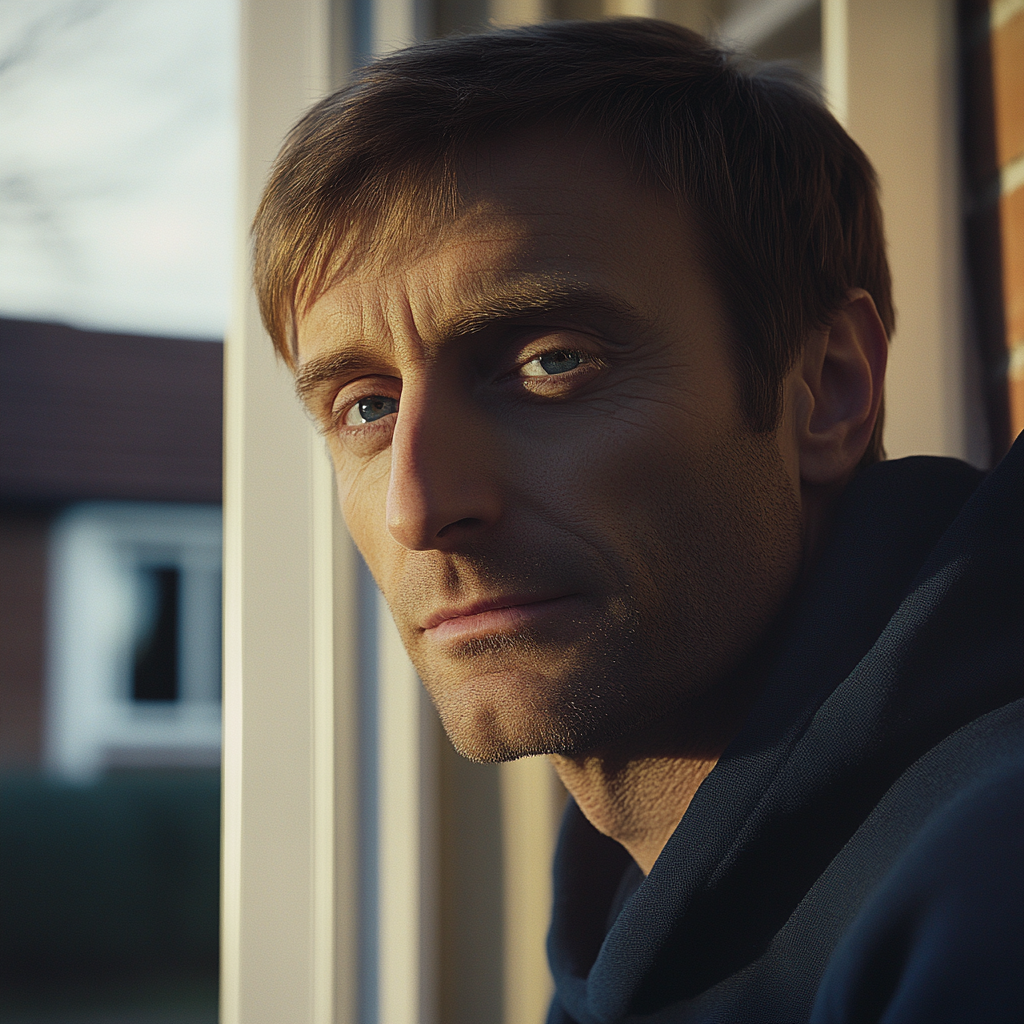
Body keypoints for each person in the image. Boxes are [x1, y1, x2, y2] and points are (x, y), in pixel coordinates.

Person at [252, 19, 1023, 1022]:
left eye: (551, 362)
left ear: (825, 386)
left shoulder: (990, 884)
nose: (420, 507)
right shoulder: (623, 908)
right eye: (366, 405)